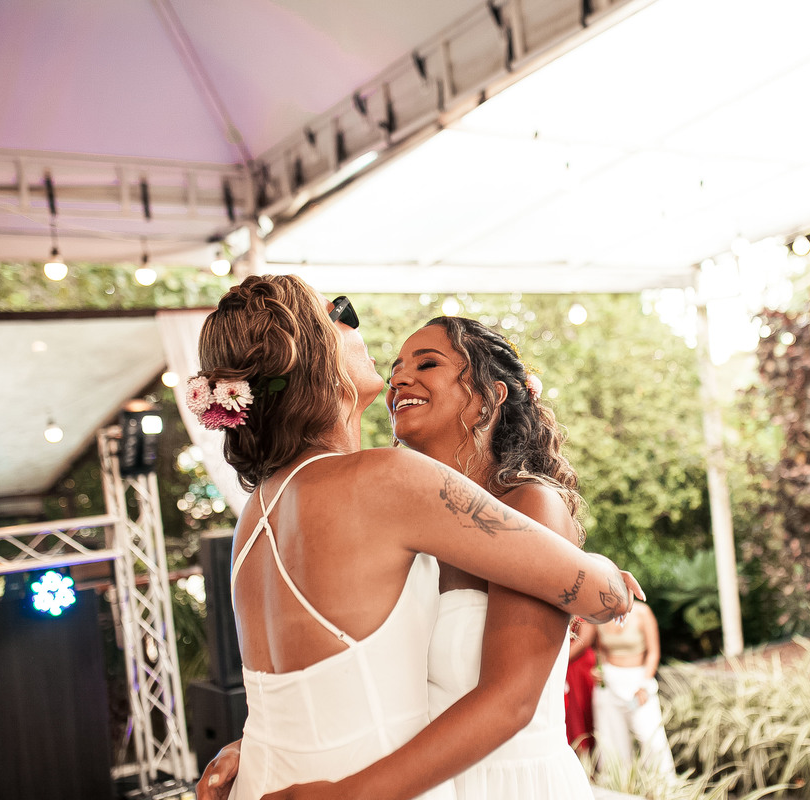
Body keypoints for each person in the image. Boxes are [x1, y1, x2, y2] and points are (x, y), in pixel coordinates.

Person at [190, 276, 639, 800]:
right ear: (313, 354)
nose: (398, 375)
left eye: (427, 364)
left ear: (490, 397)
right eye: (337, 313)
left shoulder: (255, 514)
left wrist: (260, 747)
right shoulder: (389, 485)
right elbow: (601, 594)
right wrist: (597, 572)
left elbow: (326, 682)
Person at [591, 600, 675, 777]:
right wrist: (599, 670)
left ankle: (663, 786)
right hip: (609, 683)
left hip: (638, 681)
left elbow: (653, 653)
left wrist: (644, 685)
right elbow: (600, 650)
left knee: (651, 739)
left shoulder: (642, 612)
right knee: (612, 741)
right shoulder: (598, 612)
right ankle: (618, 785)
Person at [564, 621, 597, 755]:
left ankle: (586, 760)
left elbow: (585, 639)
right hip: (563, 666)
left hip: (577, 665)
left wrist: (556, 660)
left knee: (579, 718)